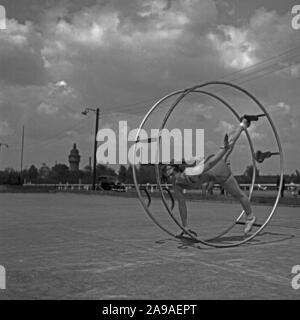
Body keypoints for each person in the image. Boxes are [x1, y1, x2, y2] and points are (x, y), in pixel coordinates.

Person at [166, 116, 256, 237]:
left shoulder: (190, 173)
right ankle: (243, 125)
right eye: (167, 176)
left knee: (237, 193)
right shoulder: (176, 185)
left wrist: (224, 150)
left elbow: (210, 163)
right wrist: (185, 226)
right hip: (210, 172)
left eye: (171, 174)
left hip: (218, 170)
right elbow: (181, 204)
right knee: (228, 145)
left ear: (177, 171)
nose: (170, 178)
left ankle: (250, 217)